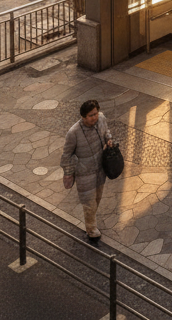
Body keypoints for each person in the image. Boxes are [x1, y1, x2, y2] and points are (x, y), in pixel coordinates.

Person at [60, 99, 116, 245]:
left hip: (100, 170)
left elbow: (107, 132)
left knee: (97, 199)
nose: (94, 117)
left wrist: (109, 140)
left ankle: (91, 221)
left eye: (95, 113)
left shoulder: (101, 119)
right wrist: (69, 172)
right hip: (84, 174)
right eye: (91, 115)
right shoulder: (74, 133)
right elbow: (66, 156)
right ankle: (91, 230)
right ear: (83, 117)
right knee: (89, 203)